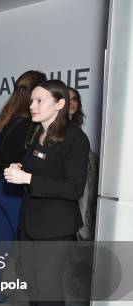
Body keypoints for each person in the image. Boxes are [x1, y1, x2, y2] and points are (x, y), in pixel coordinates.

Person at [4, 79, 90, 306]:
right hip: (31, 221)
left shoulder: (75, 139)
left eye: (40, 100)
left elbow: (73, 188)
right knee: (33, 279)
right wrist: (21, 169)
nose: (32, 106)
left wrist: (29, 179)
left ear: (61, 104)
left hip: (55, 227)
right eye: (32, 101)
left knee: (49, 286)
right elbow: (38, 170)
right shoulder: (37, 133)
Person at [0, 70, 47, 302]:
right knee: (34, 245)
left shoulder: (7, 116)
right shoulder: (29, 123)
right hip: (17, 190)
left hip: (0, 186)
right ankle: (46, 299)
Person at [68, 87, 99, 241]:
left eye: (75, 99)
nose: (72, 102)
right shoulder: (50, 128)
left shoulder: (77, 130)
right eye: (68, 98)